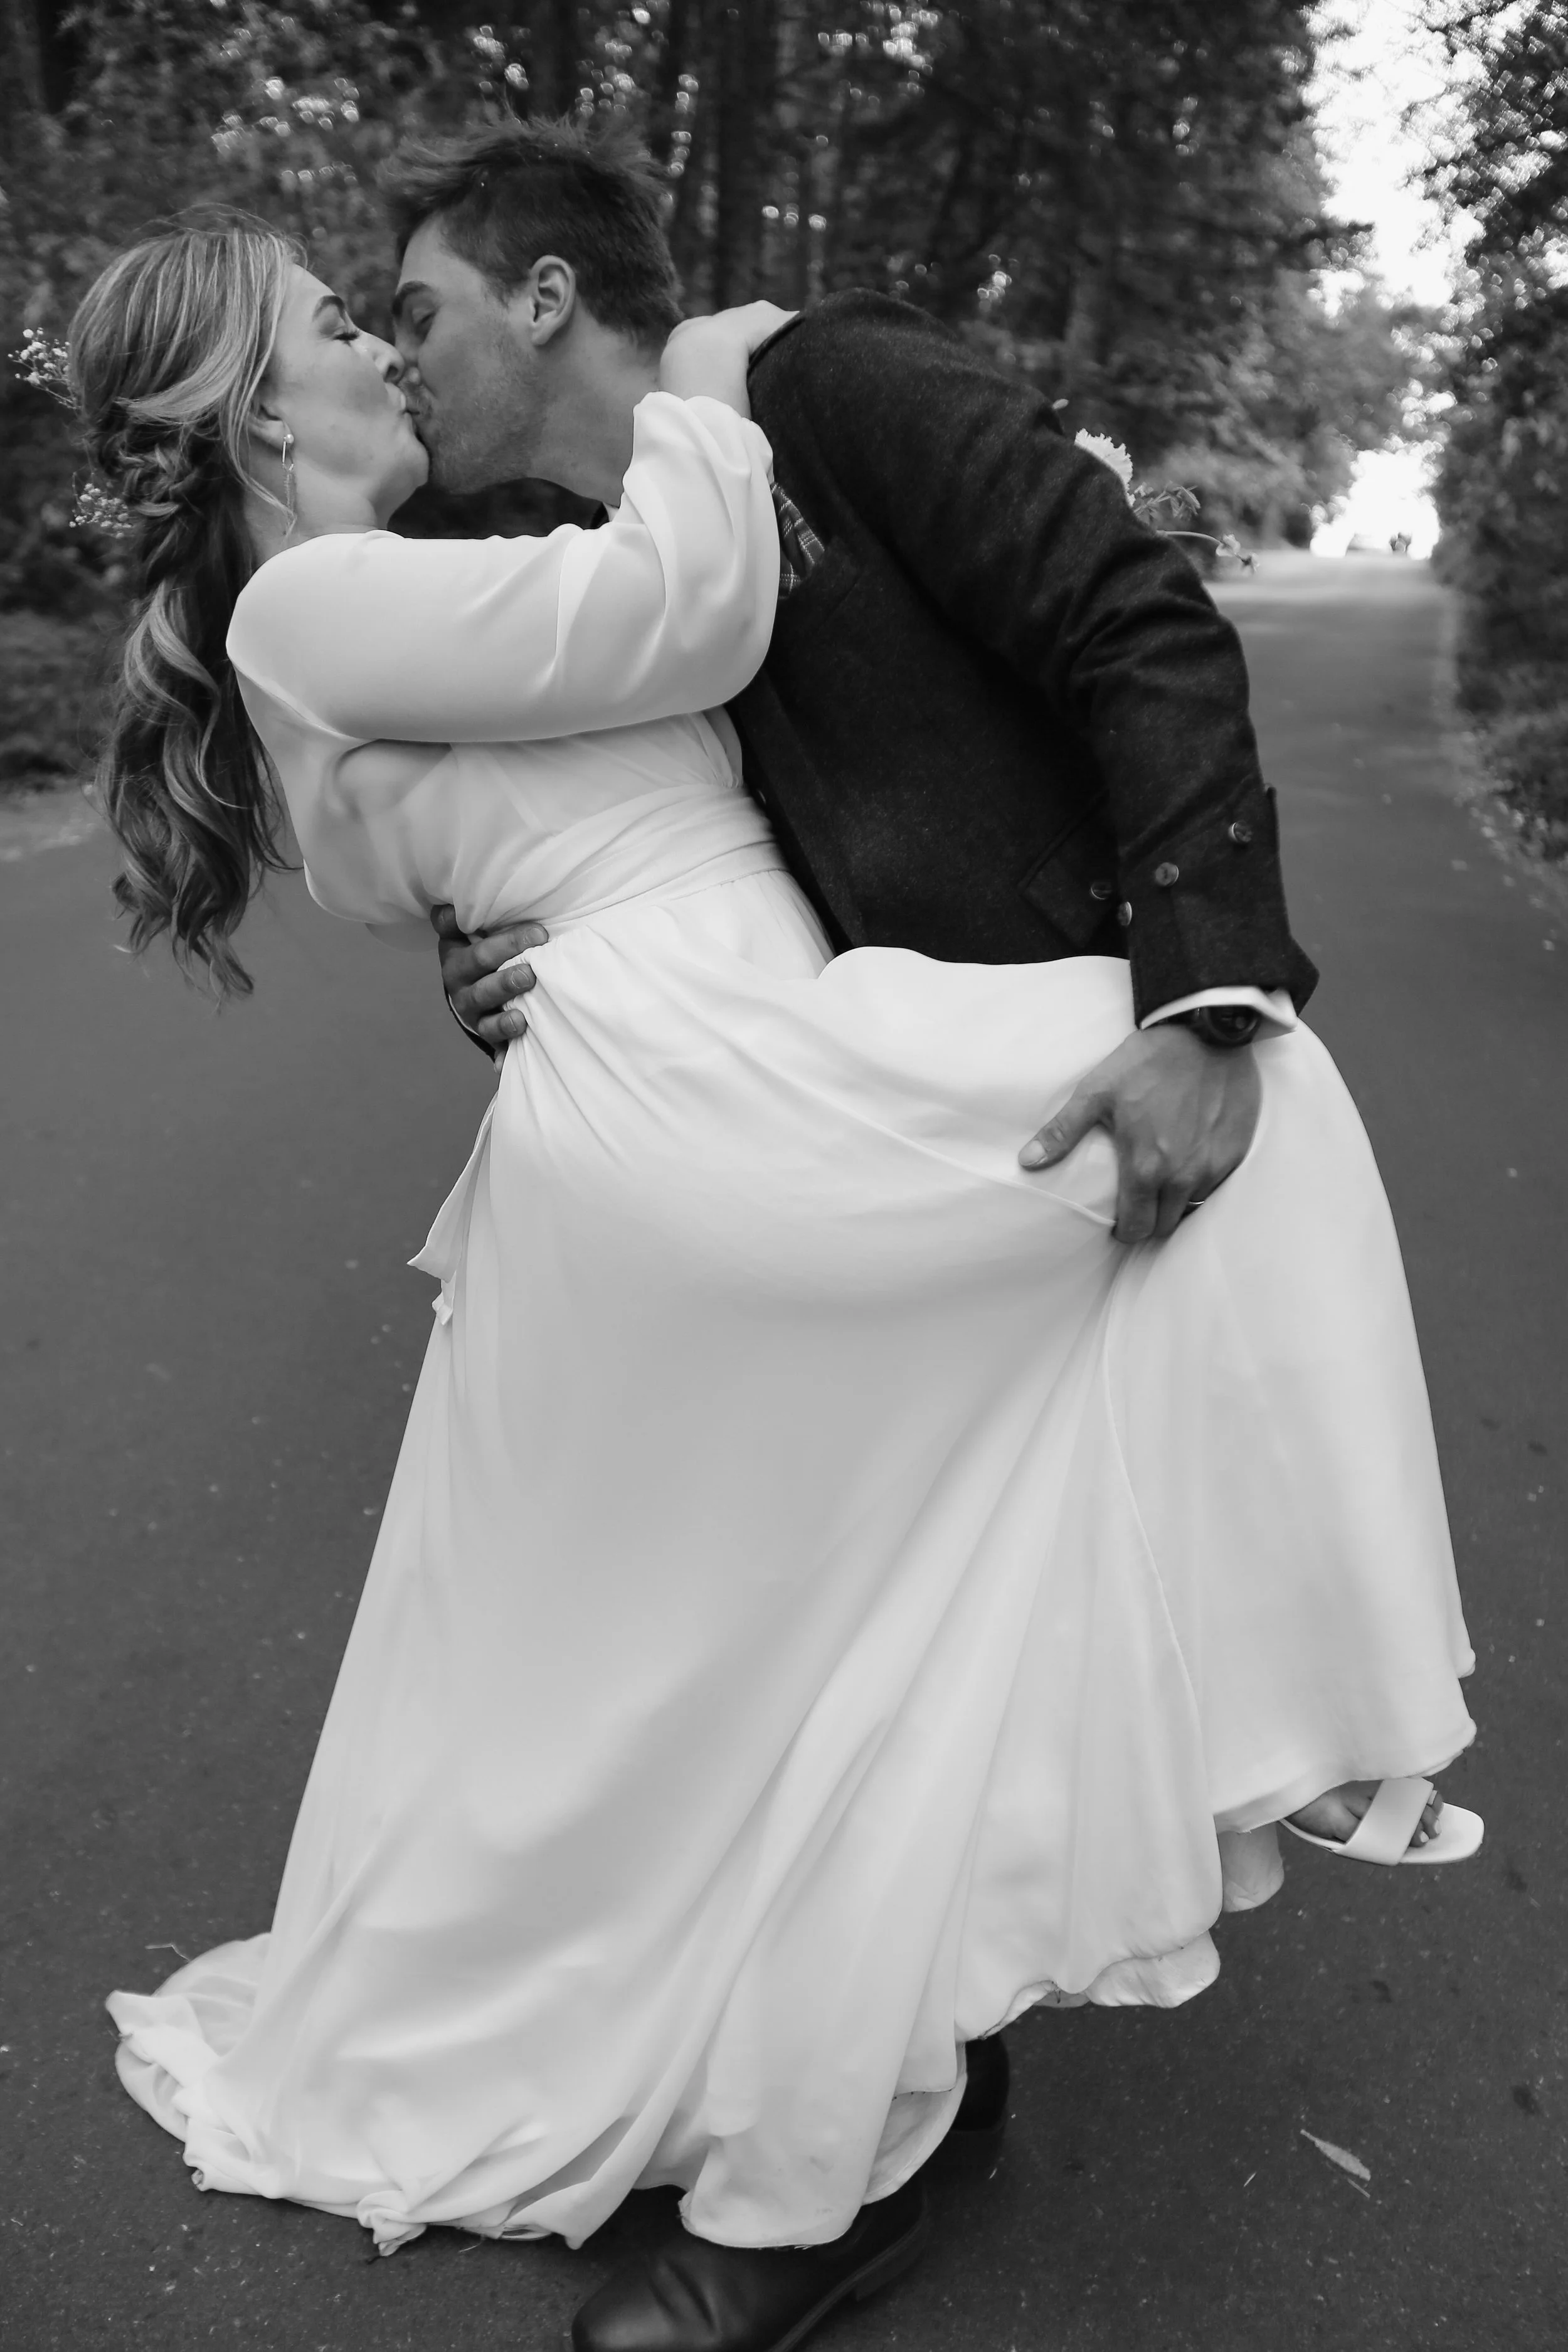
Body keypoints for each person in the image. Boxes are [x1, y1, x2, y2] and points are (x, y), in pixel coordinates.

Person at [78, 204, 1479, 2352]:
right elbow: (668, 621)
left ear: (541, 298)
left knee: (784, 1620)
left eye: (406, 305)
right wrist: (707, 400)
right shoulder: (403, 562)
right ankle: (1189, 1762)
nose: (385, 341)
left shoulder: (712, 436)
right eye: (342, 323)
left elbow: (1113, 623)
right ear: (265, 401)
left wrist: (1205, 998)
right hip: (721, 1095)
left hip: (722, 1070)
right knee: (1227, 1134)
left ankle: (932, 1981)